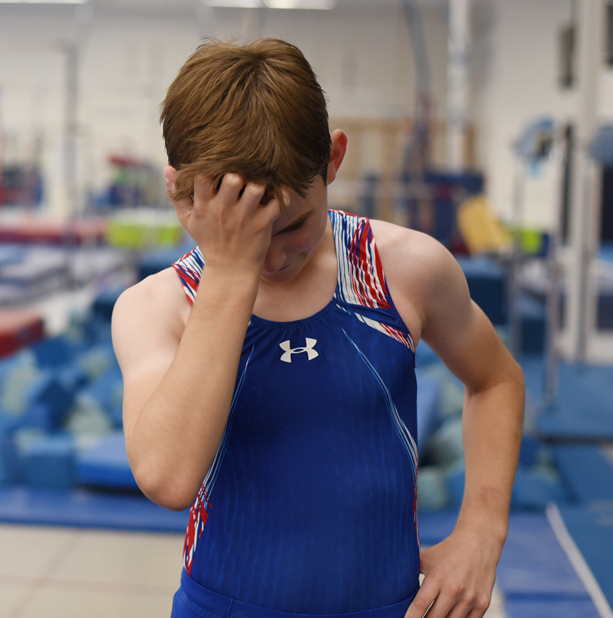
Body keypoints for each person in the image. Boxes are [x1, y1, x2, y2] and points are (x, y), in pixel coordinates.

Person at [111, 38, 524, 618]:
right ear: (182, 193)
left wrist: (482, 531)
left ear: (333, 159)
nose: (272, 259)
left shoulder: (401, 270)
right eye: (248, 235)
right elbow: (168, 478)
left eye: (292, 227)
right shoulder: (158, 306)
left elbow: (496, 380)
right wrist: (230, 271)